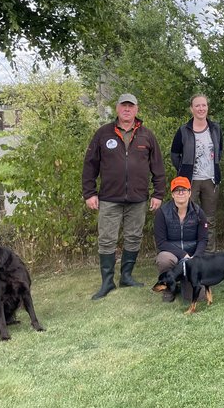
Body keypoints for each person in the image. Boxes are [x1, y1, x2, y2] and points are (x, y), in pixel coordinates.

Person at [82, 93, 166, 300]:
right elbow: (90, 165)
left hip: (138, 198)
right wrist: (89, 193)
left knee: (134, 237)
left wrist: (158, 193)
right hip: (109, 197)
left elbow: (158, 167)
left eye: (131, 106)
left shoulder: (147, 135)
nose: (127, 109)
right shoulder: (103, 133)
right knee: (106, 239)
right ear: (117, 108)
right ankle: (107, 281)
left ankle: (126, 276)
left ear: (136, 109)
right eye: (123, 106)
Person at [170, 94, 223, 252]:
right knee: (187, 218)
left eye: (204, 105)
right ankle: (188, 253)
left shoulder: (215, 129)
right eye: (197, 105)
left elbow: (219, 151)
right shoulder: (183, 130)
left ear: (208, 107)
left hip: (210, 180)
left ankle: (208, 253)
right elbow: (174, 155)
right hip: (190, 182)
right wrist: (184, 171)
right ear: (191, 109)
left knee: (209, 220)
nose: (201, 108)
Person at [154, 176, 209, 303]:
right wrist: (183, 255)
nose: (180, 193)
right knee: (164, 259)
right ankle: (169, 289)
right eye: (177, 190)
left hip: (192, 256)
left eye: (184, 189)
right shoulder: (162, 213)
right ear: (172, 194)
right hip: (172, 254)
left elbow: (203, 239)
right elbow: (161, 242)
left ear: (189, 193)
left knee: (197, 297)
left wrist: (195, 257)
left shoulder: (199, 212)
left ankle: (184, 283)